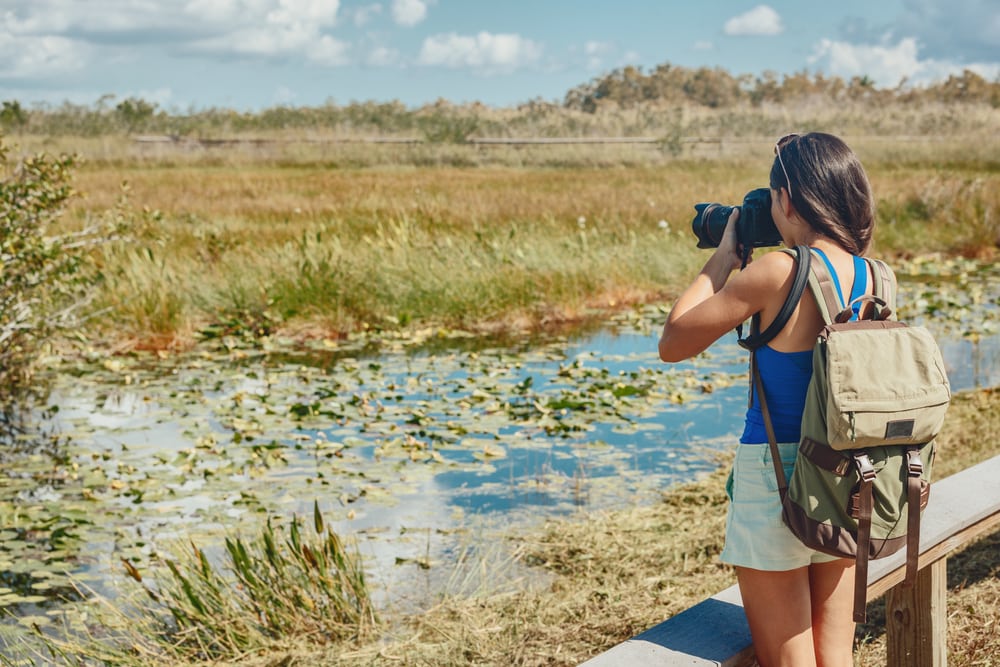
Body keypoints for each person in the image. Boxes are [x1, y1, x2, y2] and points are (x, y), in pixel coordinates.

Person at [658, 132, 877, 667]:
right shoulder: (875, 274)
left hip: (774, 477)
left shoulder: (779, 269)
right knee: (834, 658)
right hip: (849, 473)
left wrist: (725, 258)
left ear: (786, 200)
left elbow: (674, 342)